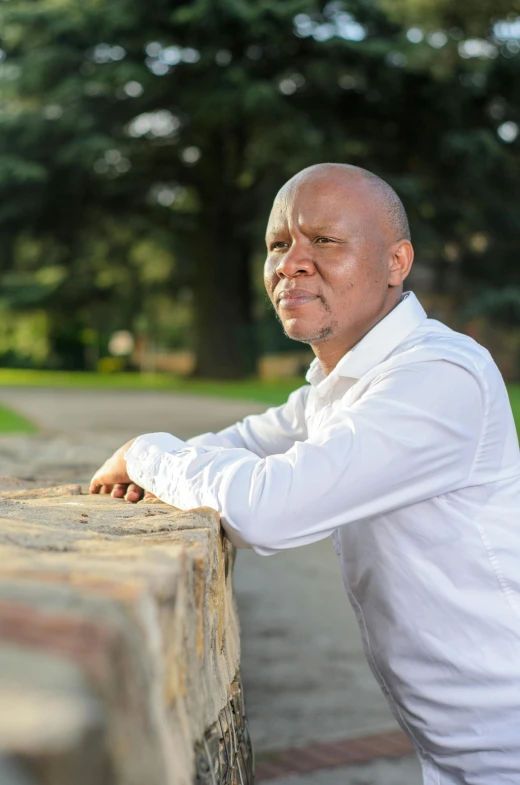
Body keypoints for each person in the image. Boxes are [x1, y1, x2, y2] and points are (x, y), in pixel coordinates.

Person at [90, 163, 520, 785]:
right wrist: (162, 465)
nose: (291, 262)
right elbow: (239, 444)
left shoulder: (438, 376)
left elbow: (270, 510)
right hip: (463, 754)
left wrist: (147, 452)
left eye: (324, 240)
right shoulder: (340, 386)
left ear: (396, 262)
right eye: (277, 244)